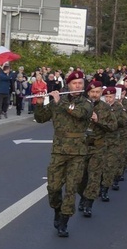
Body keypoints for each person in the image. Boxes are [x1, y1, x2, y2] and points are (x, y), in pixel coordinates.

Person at [34, 71, 94, 237]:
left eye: (80, 83)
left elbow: (79, 114)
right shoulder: (57, 102)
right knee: (53, 187)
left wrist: (59, 102)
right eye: (74, 83)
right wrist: (39, 104)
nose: (77, 86)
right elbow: (40, 118)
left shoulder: (86, 103)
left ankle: (64, 221)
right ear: (68, 85)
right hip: (59, 151)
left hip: (78, 153)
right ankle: (57, 209)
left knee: (71, 188)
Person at [76, 81, 116, 217]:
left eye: (97, 92)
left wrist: (98, 120)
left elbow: (112, 126)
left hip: (98, 148)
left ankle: (88, 203)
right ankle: (82, 196)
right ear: (88, 93)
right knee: (80, 178)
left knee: (94, 177)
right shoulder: (80, 106)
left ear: (101, 93)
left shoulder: (105, 108)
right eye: (92, 92)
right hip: (82, 147)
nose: (95, 94)